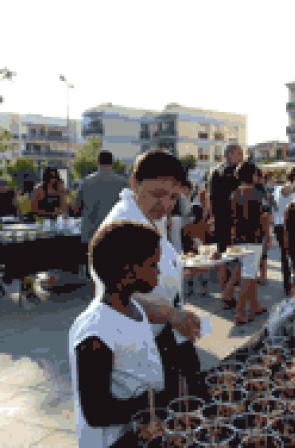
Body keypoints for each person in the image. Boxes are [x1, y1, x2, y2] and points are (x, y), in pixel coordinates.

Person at [98, 150, 203, 397]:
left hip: (166, 330)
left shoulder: (149, 215)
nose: (165, 205)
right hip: (142, 339)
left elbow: (147, 268)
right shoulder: (122, 226)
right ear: (135, 183)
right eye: (157, 194)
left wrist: (178, 271)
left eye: (173, 197)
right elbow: (115, 299)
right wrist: (171, 314)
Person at [69, 222, 170, 447]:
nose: (159, 271)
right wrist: (148, 405)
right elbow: (96, 412)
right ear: (129, 271)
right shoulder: (96, 331)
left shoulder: (134, 308)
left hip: (142, 431)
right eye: (153, 265)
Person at [228, 161, 269, 324]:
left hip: (238, 237)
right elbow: (264, 217)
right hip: (254, 238)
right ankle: (239, 312)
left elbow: (231, 216)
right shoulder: (258, 194)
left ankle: (254, 305)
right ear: (252, 175)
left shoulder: (235, 193)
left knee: (249, 274)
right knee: (248, 275)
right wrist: (268, 235)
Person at [73, 151, 128, 247]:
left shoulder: (86, 182)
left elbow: (76, 207)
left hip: (90, 233)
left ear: (97, 162)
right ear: (112, 163)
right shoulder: (123, 183)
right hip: (113, 232)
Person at [208, 144, 243, 290]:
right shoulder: (231, 172)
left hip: (222, 218)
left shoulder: (215, 171)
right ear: (230, 155)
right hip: (231, 219)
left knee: (224, 253)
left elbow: (211, 198)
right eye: (239, 153)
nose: (242, 156)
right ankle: (228, 288)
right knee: (233, 254)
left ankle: (225, 286)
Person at [272, 168, 295, 296]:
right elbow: (284, 192)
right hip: (282, 225)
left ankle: (292, 284)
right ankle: (289, 286)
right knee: (287, 255)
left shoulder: (293, 190)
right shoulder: (283, 188)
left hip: (289, 225)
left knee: (291, 255)